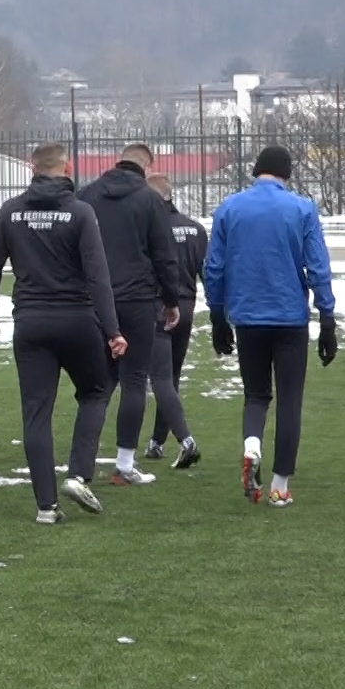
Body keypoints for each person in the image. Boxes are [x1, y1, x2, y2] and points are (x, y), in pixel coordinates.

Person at [0, 143, 127, 525]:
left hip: (31, 323)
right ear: (67, 168)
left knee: (37, 413)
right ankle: (78, 475)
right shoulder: (80, 212)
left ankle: (46, 506)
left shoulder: (11, 211)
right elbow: (98, 276)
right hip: (77, 320)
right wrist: (112, 330)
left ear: (32, 168)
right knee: (95, 392)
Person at [205, 145, 335, 507]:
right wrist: (327, 317)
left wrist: (217, 314)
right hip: (290, 316)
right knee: (289, 399)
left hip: (247, 316)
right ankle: (280, 486)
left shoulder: (230, 207)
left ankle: (252, 446)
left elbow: (214, 266)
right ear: (286, 174)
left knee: (256, 394)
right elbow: (318, 266)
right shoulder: (302, 208)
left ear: (256, 171)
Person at [77, 142, 181, 487]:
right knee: (134, 380)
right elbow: (165, 256)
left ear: (118, 161)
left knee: (99, 384)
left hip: (95, 299)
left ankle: (82, 461)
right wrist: (171, 300)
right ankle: (124, 463)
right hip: (137, 299)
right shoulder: (149, 199)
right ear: (147, 167)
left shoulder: (88, 195)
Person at [145, 172, 208, 468]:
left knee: (159, 378)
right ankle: (157, 442)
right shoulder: (195, 229)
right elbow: (206, 271)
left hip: (160, 305)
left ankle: (186, 439)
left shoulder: (150, 229)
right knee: (170, 378)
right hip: (187, 305)